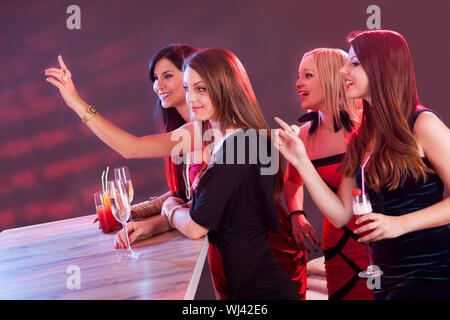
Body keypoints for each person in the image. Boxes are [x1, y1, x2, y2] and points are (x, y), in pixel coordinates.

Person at [274, 29, 450, 300]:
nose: (344, 71)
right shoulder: (361, 136)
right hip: (385, 274)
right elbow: (341, 215)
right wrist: (299, 159)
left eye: (354, 63)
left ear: (382, 67)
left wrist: (399, 224)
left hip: (431, 271)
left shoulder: (423, 124)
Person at [161, 48, 297, 300]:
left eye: (201, 89)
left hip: (263, 292)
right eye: (188, 88)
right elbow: (202, 208)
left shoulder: (244, 144)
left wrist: (169, 209)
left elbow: (195, 226)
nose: (191, 98)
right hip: (244, 289)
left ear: (224, 87)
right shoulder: (225, 141)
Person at [44, 44, 201, 243]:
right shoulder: (189, 128)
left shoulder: (200, 130)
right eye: (155, 78)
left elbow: (131, 148)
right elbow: (187, 190)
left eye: (168, 76)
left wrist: (76, 103)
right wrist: (135, 211)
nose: (158, 85)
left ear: (191, 77)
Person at [283, 48, 372, 300]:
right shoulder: (302, 135)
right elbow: (291, 181)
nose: (298, 83)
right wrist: (296, 215)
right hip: (335, 242)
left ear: (333, 78)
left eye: (307, 75)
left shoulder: (370, 125)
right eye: (299, 76)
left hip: (375, 239)